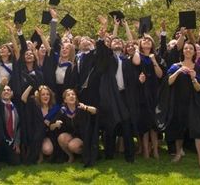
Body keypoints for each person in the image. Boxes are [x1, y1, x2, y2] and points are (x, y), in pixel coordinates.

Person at [156, 42, 200, 171]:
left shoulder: (198, 68)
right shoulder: (175, 66)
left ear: (194, 52)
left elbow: (199, 88)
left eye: (191, 49)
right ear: (182, 51)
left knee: (199, 131)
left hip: (194, 103)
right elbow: (168, 82)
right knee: (179, 129)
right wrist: (178, 71)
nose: (188, 50)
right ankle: (178, 153)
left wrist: (194, 78)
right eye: (186, 49)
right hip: (178, 102)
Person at [96, 23, 140, 164]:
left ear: (123, 46)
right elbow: (102, 53)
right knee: (110, 126)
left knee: (127, 126)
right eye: (114, 41)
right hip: (110, 96)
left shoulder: (127, 61)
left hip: (124, 96)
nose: (117, 42)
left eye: (119, 41)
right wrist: (103, 38)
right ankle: (109, 154)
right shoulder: (108, 59)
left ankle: (130, 156)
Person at [51, 89, 98, 166]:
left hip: (82, 137)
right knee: (61, 137)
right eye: (68, 95)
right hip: (71, 135)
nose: (71, 96)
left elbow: (95, 111)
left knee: (72, 146)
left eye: (73, 94)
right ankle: (71, 156)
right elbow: (51, 127)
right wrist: (55, 124)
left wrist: (86, 107)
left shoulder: (81, 108)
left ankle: (84, 154)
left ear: (76, 98)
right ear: (65, 100)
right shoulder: (62, 111)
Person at [20, 84, 59, 164]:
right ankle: (39, 155)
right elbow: (23, 98)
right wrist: (31, 85)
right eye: (43, 94)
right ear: (39, 96)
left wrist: (50, 123)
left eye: (47, 94)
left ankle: (42, 153)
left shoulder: (54, 108)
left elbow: (53, 124)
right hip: (34, 135)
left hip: (48, 135)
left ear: (50, 96)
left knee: (48, 150)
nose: (45, 96)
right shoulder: (34, 105)